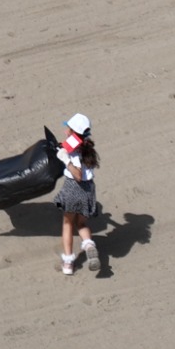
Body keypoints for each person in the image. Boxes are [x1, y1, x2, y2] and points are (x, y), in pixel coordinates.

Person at [56, 113, 99, 275]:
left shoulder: (74, 152)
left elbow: (78, 175)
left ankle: (68, 263)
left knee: (67, 224)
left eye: (68, 128)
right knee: (81, 223)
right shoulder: (88, 147)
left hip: (73, 187)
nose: (66, 130)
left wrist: (65, 160)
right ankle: (88, 245)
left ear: (73, 132)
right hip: (89, 190)